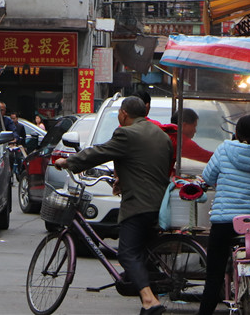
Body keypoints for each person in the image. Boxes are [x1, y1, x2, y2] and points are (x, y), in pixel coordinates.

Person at [54, 96, 172, 315]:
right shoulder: (161, 135)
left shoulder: (126, 133)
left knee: (126, 253)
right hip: (160, 203)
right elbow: (148, 166)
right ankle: (149, 295)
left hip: (139, 204)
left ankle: (149, 300)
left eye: (119, 113)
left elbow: (100, 152)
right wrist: (123, 179)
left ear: (124, 114)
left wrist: (69, 162)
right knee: (142, 251)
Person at [195, 115, 250, 315]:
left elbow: (208, 177)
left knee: (214, 276)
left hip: (223, 222)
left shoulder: (224, 150)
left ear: (236, 133)